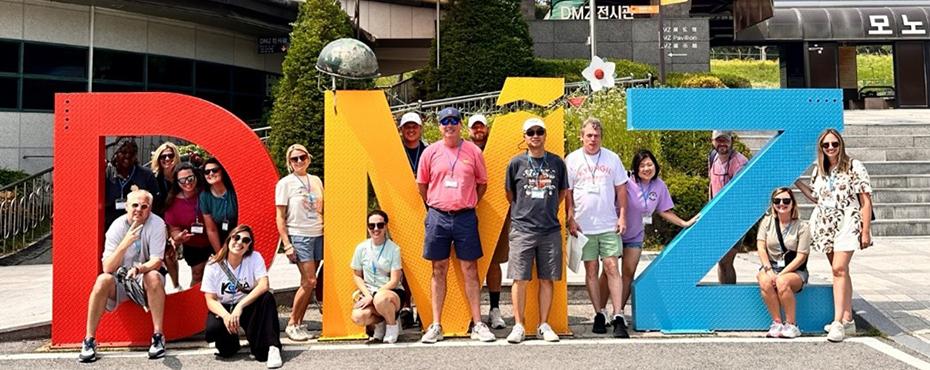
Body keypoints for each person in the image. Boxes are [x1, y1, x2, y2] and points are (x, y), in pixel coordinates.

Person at [416, 107, 495, 343]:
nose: (449, 125)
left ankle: (478, 324)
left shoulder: (472, 152)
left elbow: (482, 184)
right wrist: (435, 203)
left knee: (470, 269)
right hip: (438, 215)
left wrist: (467, 202)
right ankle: (436, 324)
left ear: (461, 125)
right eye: (444, 122)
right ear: (439, 126)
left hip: (465, 216)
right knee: (437, 269)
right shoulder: (430, 152)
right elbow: (422, 185)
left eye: (453, 121)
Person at [795, 128, 872, 343]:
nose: (830, 148)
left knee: (839, 268)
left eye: (834, 144)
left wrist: (865, 231)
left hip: (848, 220)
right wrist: (796, 182)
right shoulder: (819, 170)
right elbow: (815, 196)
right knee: (839, 270)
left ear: (841, 145)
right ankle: (847, 319)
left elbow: (865, 200)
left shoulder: (854, 166)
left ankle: (837, 322)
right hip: (825, 222)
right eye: (826, 145)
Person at [79, 189, 167, 362]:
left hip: (144, 276)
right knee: (102, 280)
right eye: (135, 205)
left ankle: (158, 336)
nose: (138, 210)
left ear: (150, 208)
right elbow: (107, 267)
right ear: (126, 206)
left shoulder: (157, 223)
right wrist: (125, 243)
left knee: (154, 276)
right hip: (120, 278)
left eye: (144, 206)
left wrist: (139, 269)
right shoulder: (117, 226)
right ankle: (89, 340)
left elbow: (156, 261)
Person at [504, 118, 568, 343]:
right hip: (522, 229)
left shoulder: (557, 163)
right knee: (519, 279)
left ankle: (543, 324)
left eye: (539, 131)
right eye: (530, 132)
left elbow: (562, 193)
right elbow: (510, 195)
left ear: (545, 135)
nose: (535, 135)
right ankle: (519, 325)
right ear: (524, 137)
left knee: (546, 279)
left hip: (549, 229)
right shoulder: (516, 163)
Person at [617, 150, 698, 327]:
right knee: (609, 272)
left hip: (635, 235)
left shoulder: (659, 186)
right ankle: (601, 311)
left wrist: (684, 223)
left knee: (628, 273)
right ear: (635, 168)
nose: (646, 168)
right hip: (615, 231)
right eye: (642, 165)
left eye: (650, 164)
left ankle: (619, 311)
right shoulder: (626, 180)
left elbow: (663, 210)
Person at [564, 117, 629, 337]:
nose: (592, 139)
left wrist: (622, 217)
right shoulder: (572, 160)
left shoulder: (612, 158)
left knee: (611, 266)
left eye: (596, 136)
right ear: (581, 136)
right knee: (591, 269)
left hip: (608, 223)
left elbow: (621, 190)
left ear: (601, 138)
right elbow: (568, 194)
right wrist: (570, 218)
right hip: (584, 226)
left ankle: (618, 314)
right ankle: (598, 313)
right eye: (589, 135)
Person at [202, 225, 283, 368]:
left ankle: (272, 347)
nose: (240, 242)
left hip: (246, 306)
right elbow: (210, 300)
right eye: (236, 237)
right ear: (229, 239)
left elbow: (264, 284)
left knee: (267, 298)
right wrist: (227, 316)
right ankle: (233, 340)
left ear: (249, 246)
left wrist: (240, 307)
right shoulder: (213, 265)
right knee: (224, 348)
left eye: (245, 240)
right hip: (225, 308)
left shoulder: (254, 258)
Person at [275, 144, 325, 341]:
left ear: (308, 158)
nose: (298, 161)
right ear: (289, 162)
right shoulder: (285, 184)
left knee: (307, 283)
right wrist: (286, 243)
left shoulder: (315, 180)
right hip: (299, 235)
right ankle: (291, 323)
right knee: (310, 281)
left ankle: (299, 323)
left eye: (302, 157)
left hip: (318, 234)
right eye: (294, 159)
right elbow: (280, 216)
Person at [757, 187, 810, 339]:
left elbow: (801, 256)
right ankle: (777, 322)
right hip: (771, 265)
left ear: (793, 203)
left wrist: (782, 273)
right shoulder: (767, 222)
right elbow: (761, 246)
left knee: (782, 281)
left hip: (794, 269)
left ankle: (792, 324)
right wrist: (768, 270)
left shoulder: (802, 226)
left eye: (786, 201)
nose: (782, 204)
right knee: (764, 280)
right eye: (777, 201)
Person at [469, 113, 506, 330]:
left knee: (493, 262)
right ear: (469, 130)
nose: (478, 130)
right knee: (467, 264)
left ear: (487, 127)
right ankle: (470, 313)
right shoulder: (461, 149)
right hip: (467, 212)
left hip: (495, 212)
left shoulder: (498, 150)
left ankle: (494, 309)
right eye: (474, 127)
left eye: (481, 126)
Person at [350, 210, 405, 344]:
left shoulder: (394, 249)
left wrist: (374, 295)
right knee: (358, 317)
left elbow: (394, 280)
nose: (376, 229)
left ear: (386, 226)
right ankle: (381, 322)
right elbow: (357, 275)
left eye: (380, 225)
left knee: (381, 298)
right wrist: (367, 294)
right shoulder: (361, 248)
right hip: (370, 293)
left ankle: (392, 326)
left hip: (391, 293)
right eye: (371, 226)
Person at [708, 130, 749, 284]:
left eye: (725, 140)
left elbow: (739, 195)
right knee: (721, 261)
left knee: (725, 260)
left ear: (732, 141)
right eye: (718, 140)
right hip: (717, 217)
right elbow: (711, 184)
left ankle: (729, 295)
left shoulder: (739, 162)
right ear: (712, 141)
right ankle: (723, 293)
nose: (722, 144)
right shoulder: (713, 157)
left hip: (735, 220)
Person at [163, 162, 212, 288]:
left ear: (196, 176)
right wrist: (178, 236)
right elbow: (173, 228)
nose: (187, 182)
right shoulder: (173, 202)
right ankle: (195, 304)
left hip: (214, 241)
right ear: (177, 182)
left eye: (190, 178)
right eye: (182, 180)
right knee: (197, 274)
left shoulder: (207, 193)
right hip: (193, 244)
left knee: (212, 275)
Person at [396, 112, 424, 327]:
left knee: (425, 260)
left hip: (426, 209)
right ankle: (406, 306)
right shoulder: (395, 152)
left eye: (414, 126)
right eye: (407, 127)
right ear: (401, 130)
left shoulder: (430, 150)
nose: (411, 130)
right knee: (403, 262)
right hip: (400, 209)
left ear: (421, 128)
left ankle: (425, 306)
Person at [105, 138, 159, 228]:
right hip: (110, 226)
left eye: (132, 153)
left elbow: (156, 202)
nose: (127, 156)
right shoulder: (106, 172)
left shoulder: (146, 175)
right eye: (123, 152)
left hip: (139, 227)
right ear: (116, 153)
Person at [151, 142, 181, 291]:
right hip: (161, 221)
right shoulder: (154, 179)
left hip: (181, 220)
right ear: (158, 158)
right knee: (167, 254)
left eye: (170, 155)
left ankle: (176, 286)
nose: (167, 159)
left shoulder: (181, 176)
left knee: (172, 254)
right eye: (163, 156)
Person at [200, 158, 238, 253]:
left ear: (222, 171)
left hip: (240, 232)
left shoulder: (234, 191)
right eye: (207, 172)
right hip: (223, 235)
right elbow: (211, 229)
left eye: (215, 170)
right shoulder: (204, 196)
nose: (211, 174)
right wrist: (220, 254)